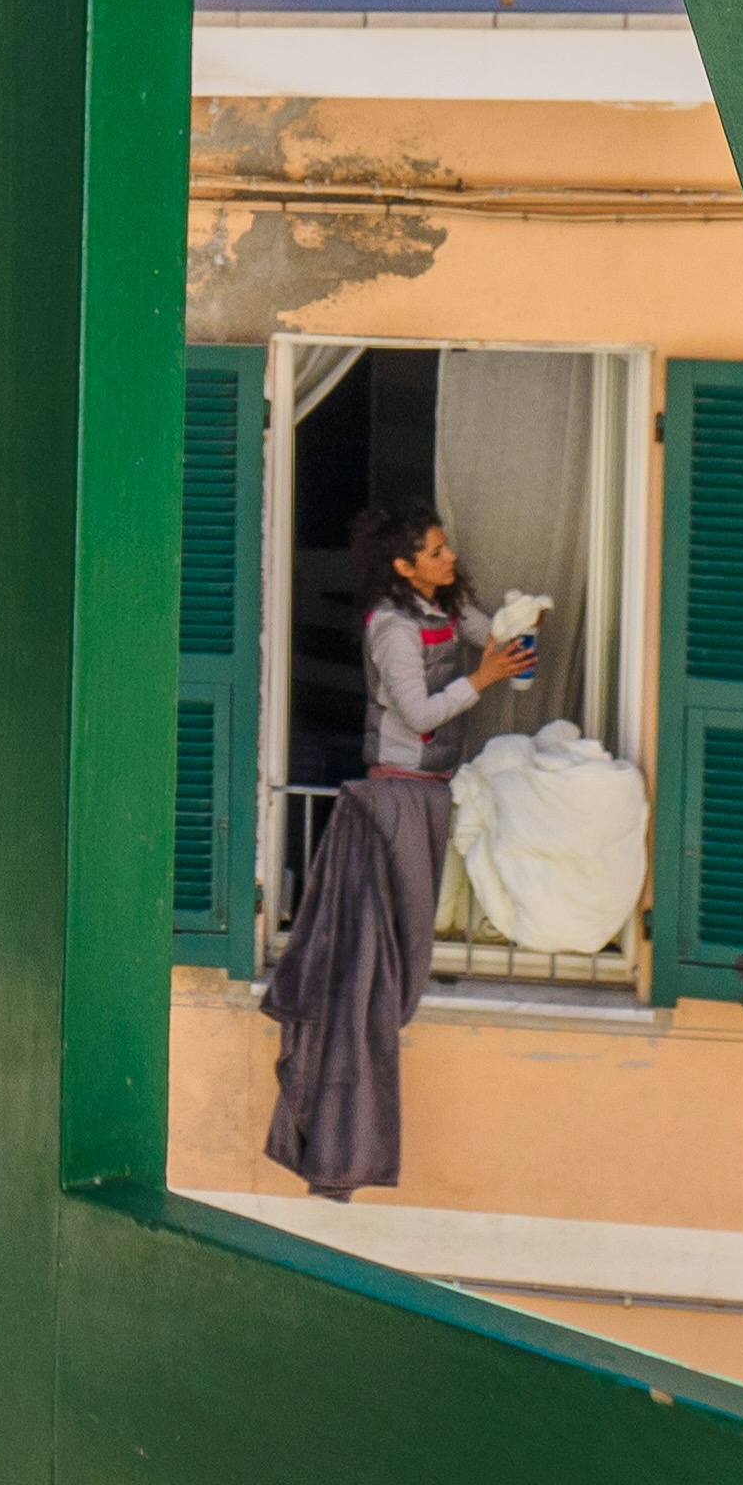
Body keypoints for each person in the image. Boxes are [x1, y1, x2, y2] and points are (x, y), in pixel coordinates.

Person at [260, 499, 532, 1199]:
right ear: (404, 565)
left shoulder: (443, 607)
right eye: (437, 552)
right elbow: (417, 713)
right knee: (398, 941)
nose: (451, 558)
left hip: (437, 787)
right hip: (401, 792)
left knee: (411, 930)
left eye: (446, 547)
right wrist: (487, 678)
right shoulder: (391, 628)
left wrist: (514, 634)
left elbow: (485, 632)